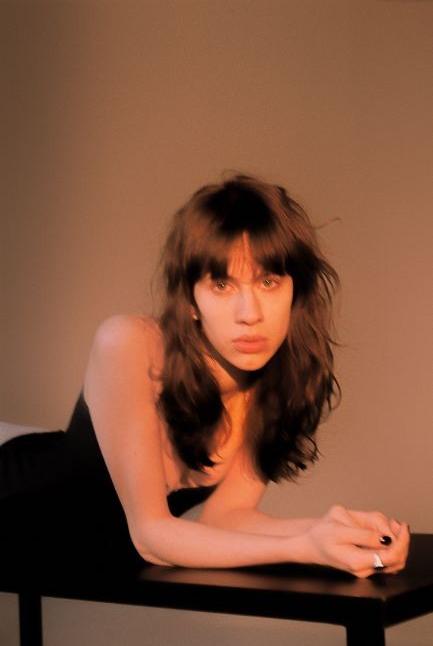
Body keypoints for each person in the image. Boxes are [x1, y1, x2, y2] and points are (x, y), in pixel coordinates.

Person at [0, 174, 409, 578]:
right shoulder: (129, 342)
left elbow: (226, 519)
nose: (250, 314)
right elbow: (151, 536)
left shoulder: (270, 386)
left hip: (64, 553)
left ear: (294, 291)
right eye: (222, 285)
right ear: (191, 301)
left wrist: (334, 533)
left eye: (268, 282)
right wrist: (303, 548)